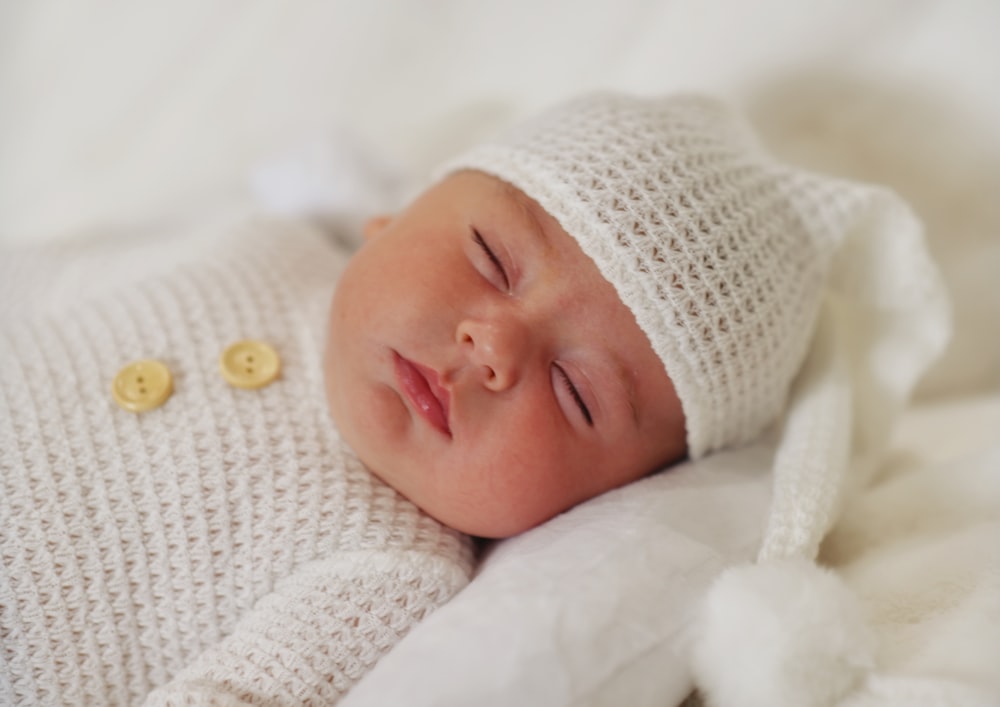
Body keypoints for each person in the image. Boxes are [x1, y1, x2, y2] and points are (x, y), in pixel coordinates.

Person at [0, 92, 943, 705]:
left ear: (584, 502)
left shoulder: (389, 567)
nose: (494, 346)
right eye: (493, 257)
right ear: (394, 216)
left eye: (576, 393)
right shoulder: (252, 244)